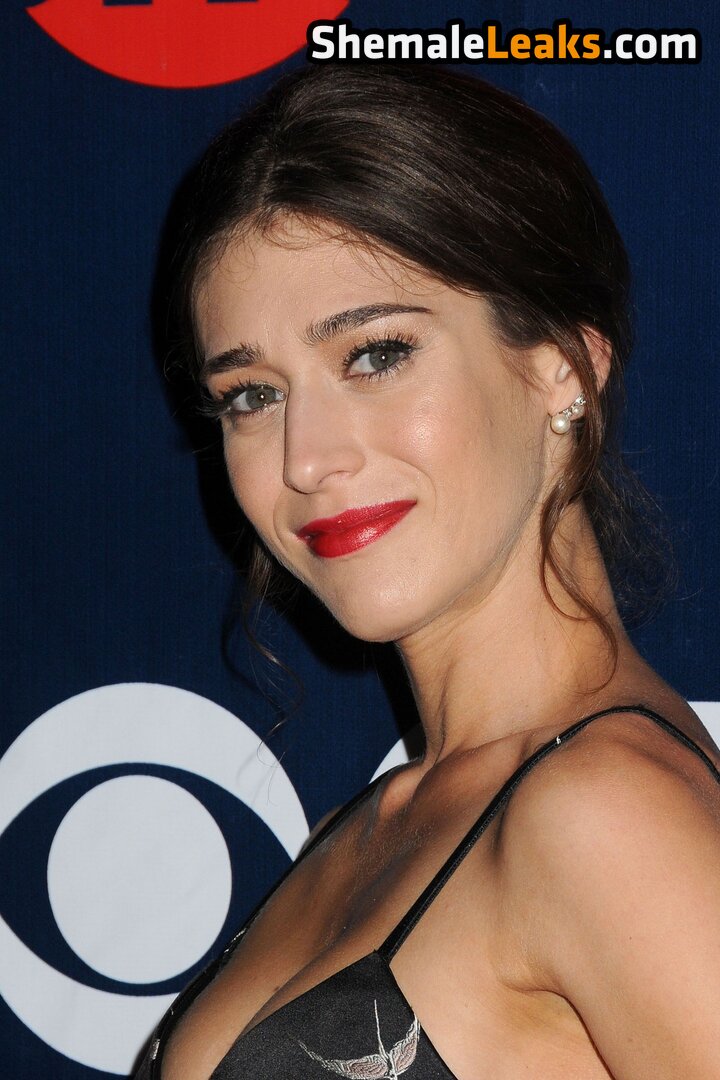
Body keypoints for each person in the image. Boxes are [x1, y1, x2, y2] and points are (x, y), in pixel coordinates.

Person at [136, 64, 720, 1080]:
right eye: (252, 396)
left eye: (375, 355)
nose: (306, 459)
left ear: (560, 366)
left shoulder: (604, 814)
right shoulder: (360, 832)